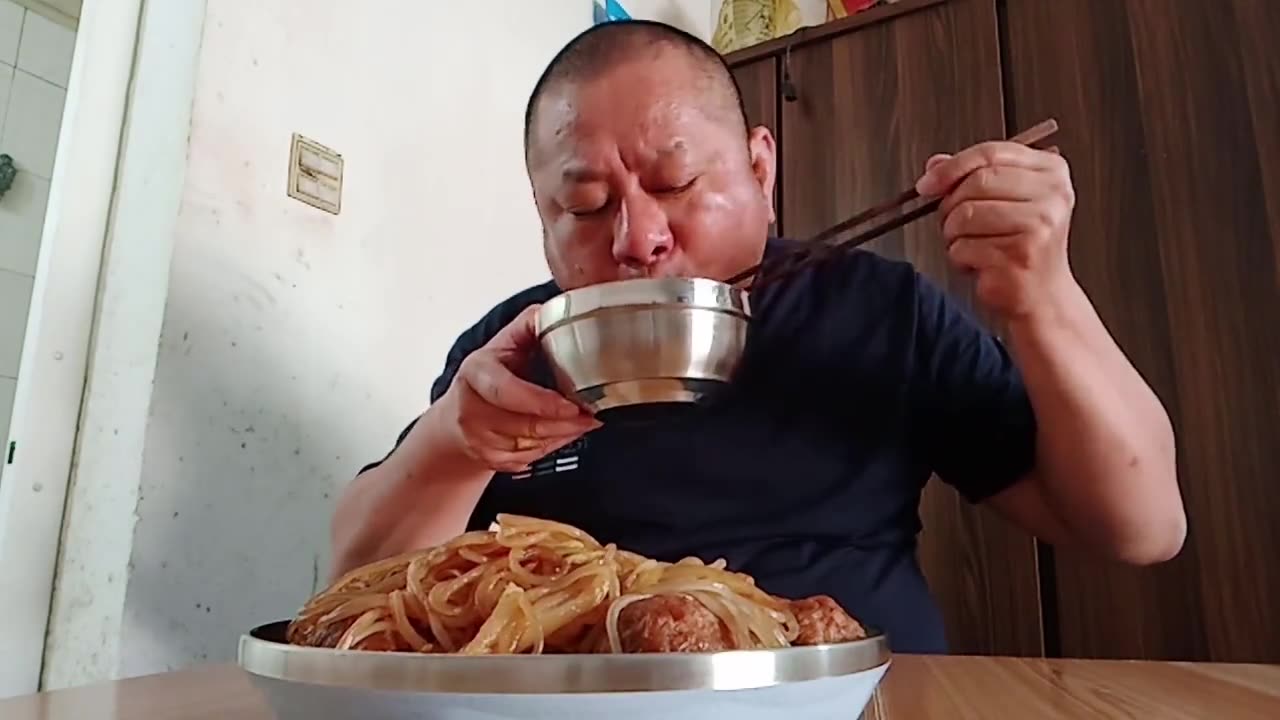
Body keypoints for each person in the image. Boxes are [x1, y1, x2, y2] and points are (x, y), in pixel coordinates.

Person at [331, 20, 1184, 653]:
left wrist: (1044, 295)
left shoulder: (878, 307)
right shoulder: (514, 346)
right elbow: (348, 585)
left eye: (677, 182)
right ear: (541, 218)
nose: (637, 238)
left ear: (761, 167)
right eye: (586, 206)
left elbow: (1141, 527)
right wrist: (457, 440)